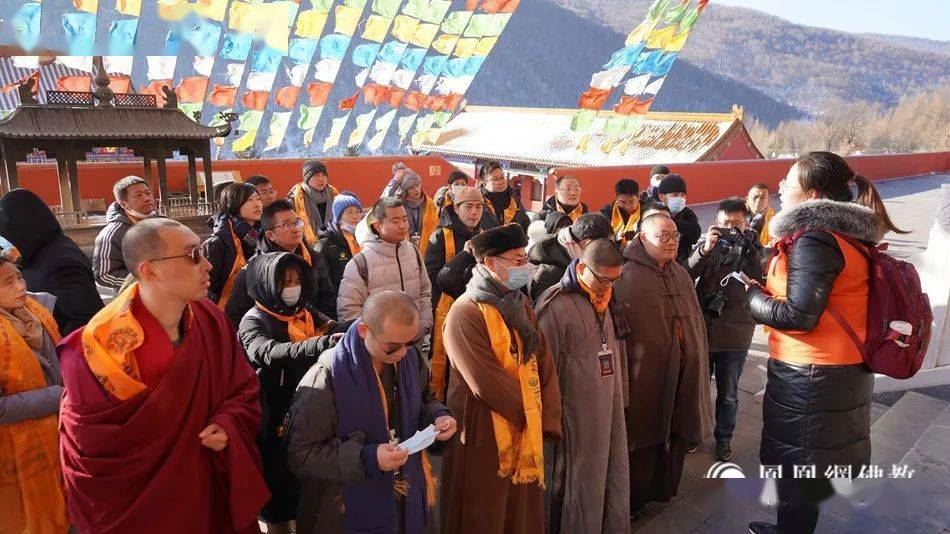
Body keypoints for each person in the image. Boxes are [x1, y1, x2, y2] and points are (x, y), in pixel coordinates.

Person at [58, 218, 269, 533]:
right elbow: (92, 454)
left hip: (208, 485)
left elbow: (243, 387)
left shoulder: (210, 320)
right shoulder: (98, 350)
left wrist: (229, 423)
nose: (208, 265)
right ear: (149, 271)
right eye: (193, 255)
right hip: (146, 508)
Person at [746, 152, 905, 534]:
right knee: (807, 471)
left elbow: (799, 316)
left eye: (788, 182)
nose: (781, 187)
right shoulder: (846, 235)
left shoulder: (815, 239)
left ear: (812, 194)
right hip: (834, 371)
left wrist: (752, 298)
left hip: (811, 377)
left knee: (799, 470)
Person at [285, 291, 456, 534]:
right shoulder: (326, 377)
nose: (402, 353)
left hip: (405, 495)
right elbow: (301, 455)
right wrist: (367, 457)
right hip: (344, 507)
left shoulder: (409, 359)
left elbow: (424, 399)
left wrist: (438, 416)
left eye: (410, 342)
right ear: (364, 330)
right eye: (392, 347)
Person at [439, 223, 562, 534]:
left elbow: (542, 358)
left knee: (520, 510)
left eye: (525, 259)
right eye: (517, 261)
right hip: (484, 427)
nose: (525, 267)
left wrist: (546, 411)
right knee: (485, 511)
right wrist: (530, 411)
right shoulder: (465, 312)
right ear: (491, 263)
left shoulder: (519, 303)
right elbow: (484, 381)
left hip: (525, 421)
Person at [613, 213, 713, 517]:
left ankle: (664, 489)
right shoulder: (625, 275)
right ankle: (632, 501)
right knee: (642, 435)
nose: (671, 242)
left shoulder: (680, 273)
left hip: (683, 372)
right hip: (645, 375)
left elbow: (694, 324)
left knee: (676, 429)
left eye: (675, 236)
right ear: (643, 237)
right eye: (663, 236)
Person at [238, 252, 344, 534]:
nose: (293, 288)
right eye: (285, 283)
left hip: (308, 407)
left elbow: (333, 327)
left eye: (297, 281)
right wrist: (318, 344)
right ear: (267, 284)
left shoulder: (304, 312)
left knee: (305, 482)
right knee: (278, 486)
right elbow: (267, 352)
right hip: (273, 415)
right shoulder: (254, 320)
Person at [535, 240, 630, 534]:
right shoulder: (555, 305)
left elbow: (618, 350)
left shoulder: (608, 297)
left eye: (614, 280)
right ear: (581, 268)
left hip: (608, 404)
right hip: (572, 412)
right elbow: (541, 370)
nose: (607, 287)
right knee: (574, 483)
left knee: (609, 471)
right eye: (602, 279)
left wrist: (622, 395)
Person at [687, 198, 764, 462]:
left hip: (736, 333)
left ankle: (723, 439)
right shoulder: (708, 244)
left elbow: (761, 279)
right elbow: (687, 273)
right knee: (698, 389)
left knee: (728, 393)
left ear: (746, 223)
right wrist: (705, 249)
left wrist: (750, 249)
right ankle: (694, 433)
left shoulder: (754, 247)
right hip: (705, 329)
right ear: (717, 222)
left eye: (736, 224)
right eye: (726, 223)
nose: (731, 228)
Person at [0, 257, 69, 534]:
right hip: (14, 451)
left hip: (59, 433)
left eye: (19, 277)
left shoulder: (38, 312)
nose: (21, 286)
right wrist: (58, 396)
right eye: (8, 282)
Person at [0, 189, 103, 334]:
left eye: (6, 233)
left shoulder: (61, 265)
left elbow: (84, 323)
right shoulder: (38, 250)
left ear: (22, 226)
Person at [225, 199, 337, 326]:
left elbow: (328, 300)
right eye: (287, 225)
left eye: (297, 223)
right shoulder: (254, 270)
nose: (296, 229)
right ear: (270, 235)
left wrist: (330, 329)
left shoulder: (313, 258)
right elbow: (235, 316)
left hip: (314, 330)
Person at [337, 197, 433, 335]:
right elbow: (349, 310)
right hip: (379, 343)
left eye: (404, 219)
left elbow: (424, 291)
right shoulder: (361, 263)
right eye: (395, 221)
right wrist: (374, 339)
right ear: (378, 226)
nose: (403, 226)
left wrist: (424, 324)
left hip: (415, 337)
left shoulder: (413, 251)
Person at [424, 186, 484, 401]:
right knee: (447, 366)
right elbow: (436, 278)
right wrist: (464, 255)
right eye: (468, 207)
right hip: (446, 309)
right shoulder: (440, 236)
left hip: (476, 310)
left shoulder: (483, 235)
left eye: (479, 207)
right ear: (456, 208)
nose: (474, 212)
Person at [202, 182, 263, 308]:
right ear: (234, 204)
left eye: (258, 199)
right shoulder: (218, 242)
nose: (257, 204)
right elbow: (208, 286)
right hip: (227, 309)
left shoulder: (264, 234)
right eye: (249, 200)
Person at [528, 212, 612, 301]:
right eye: (605, 246)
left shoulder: (568, 244)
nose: (608, 253)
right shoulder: (549, 274)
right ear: (587, 243)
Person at [93, 175, 158, 291]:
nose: (147, 198)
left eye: (148, 193)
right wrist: (148, 278)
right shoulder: (112, 234)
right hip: (137, 295)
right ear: (123, 204)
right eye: (138, 195)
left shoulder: (165, 223)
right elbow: (104, 275)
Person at [384, 163, 439, 256]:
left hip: (427, 251)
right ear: (405, 190)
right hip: (403, 251)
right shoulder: (398, 205)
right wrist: (395, 181)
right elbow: (382, 203)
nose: (417, 189)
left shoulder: (429, 203)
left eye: (417, 185)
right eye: (411, 187)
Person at [316, 192, 363, 291]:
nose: (355, 216)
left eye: (358, 212)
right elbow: (323, 280)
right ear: (339, 217)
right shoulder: (325, 244)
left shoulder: (364, 237)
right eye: (349, 212)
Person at [289, 159, 340, 243]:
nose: (321, 179)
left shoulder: (334, 194)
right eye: (316, 175)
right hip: (306, 244)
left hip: (334, 242)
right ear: (307, 178)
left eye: (324, 175)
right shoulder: (295, 199)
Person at [655, 174, 701, 264]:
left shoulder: (687, 213)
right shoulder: (654, 214)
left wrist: (677, 223)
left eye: (682, 195)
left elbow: (695, 236)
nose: (680, 198)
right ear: (662, 197)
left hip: (683, 261)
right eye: (675, 194)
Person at [478, 161, 530, 231]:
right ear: (485, 183)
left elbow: (525, 224)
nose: (500, 182)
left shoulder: (514, 198)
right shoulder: (479, 201)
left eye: (502, 177)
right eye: (495, 179)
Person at [599, 178, 641, 248]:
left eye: (631, 201)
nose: (627, 206)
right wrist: (615, 238)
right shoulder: (607, 212)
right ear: (616, 198)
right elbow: (600, 238)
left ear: (638, 197)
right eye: (623, 202)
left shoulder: (647, 211)